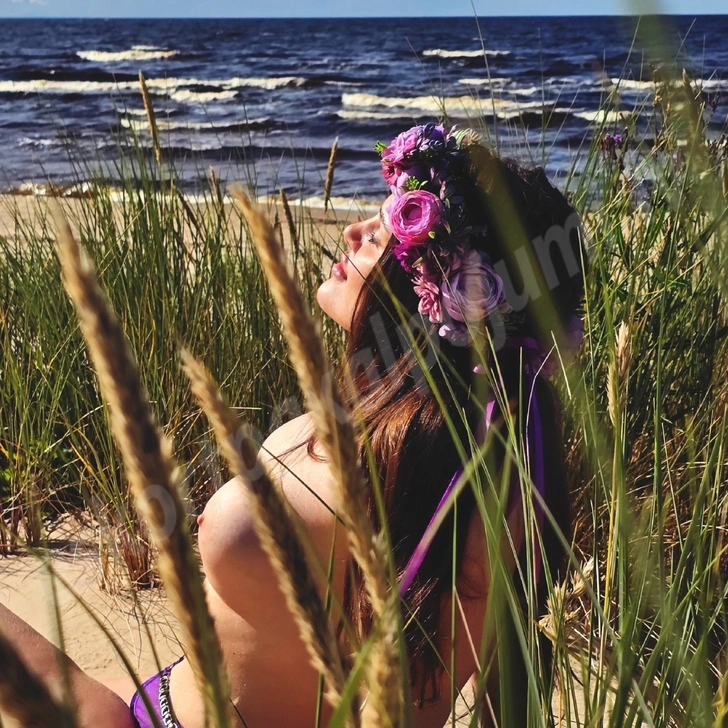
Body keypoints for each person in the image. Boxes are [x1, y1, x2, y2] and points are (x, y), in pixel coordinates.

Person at [0, 122, 586, 728]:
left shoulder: (454, 489)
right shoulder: (377, 416)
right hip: (162, 696)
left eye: (388, 229)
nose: (356, 232)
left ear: (443, 291)